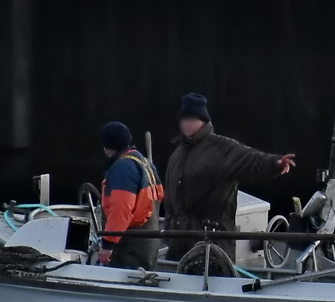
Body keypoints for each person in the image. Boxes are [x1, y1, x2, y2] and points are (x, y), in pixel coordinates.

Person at [164, 93, 296, 260]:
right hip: (179, 246)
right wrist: (169, 229)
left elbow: (252, 160)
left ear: (203, 120)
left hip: (212, 245)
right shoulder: (177, 155)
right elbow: (169, 200)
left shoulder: (222, 148)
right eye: (184, 119)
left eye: (192, 119)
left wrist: (275, 163)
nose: (187, 124)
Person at [98, 121, 165, 269]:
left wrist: (107, 245)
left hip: (129, 250)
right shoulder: (145, 162)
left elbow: (120, 209)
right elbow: (159, 195)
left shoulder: (123, 167)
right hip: (149, 247)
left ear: (106, 146)